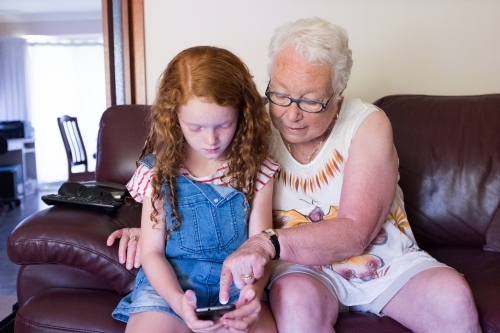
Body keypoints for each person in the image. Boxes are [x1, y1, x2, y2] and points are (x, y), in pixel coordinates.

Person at [109, 18, 482, 332]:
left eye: (310, 101)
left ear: (339, 93)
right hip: (302, 269)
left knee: (452, 298)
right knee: (298, 304)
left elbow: (355, 231)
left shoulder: (367, 123)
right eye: (281, 95)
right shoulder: (250, 129)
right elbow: (198, 188)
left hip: (383, 262)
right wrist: (149, 229)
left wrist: (265, 244)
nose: (291, 114)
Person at [109, 46, 278, 333]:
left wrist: (253, 295)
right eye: (196, 127)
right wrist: (177, 301)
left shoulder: (258, 170)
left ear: (242, 114)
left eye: (224, 124)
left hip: (237, 288)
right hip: (168, 288)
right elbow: (151, 252)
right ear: (174, 118)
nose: (211, 140)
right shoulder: (157, 172)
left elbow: (261, 250)